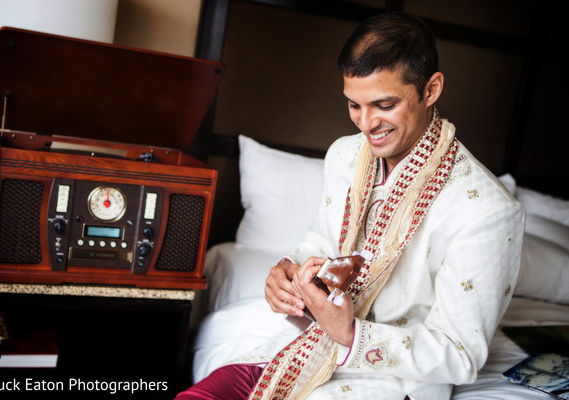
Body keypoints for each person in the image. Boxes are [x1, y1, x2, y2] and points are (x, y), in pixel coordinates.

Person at [176, 11, 524, 400]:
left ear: (431, 89)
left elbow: (461, 355)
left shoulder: (488, 209)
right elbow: (321, 244)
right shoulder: (344, 155)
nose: (366, 123)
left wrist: (351, 334)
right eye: (354, 105)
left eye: (384, 104)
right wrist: (289, 274)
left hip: (394, 383)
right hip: (304, 349)